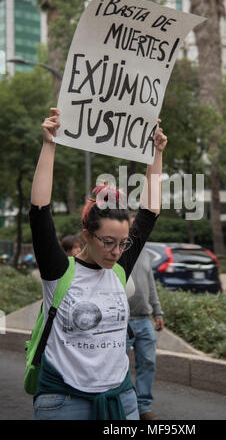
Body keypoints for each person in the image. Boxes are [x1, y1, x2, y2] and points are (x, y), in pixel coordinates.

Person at [29, 107, 167, 420]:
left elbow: (150, 212)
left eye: (123, 243)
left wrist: (156, 154)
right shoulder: (59, 272)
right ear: (87, 236)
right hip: (65, 402)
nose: (117, 251)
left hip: (121, 400)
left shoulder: (119, 268)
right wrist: (49, 144)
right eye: (107, 242)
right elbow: (39, 212)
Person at [126, 213, 164, 420]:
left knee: (148, 364)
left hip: (144, 319)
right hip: (121, 323)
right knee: (118, 367)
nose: (136, 230)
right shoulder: (118, 251)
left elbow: (151, 285)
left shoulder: (145, 252)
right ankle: (126, 404)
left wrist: (158, 312)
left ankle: (143, 407)